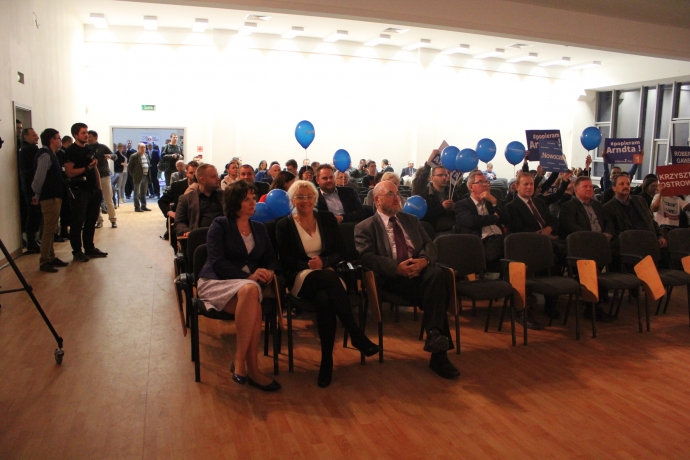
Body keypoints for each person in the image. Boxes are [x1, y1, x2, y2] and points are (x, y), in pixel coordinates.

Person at [276, 180, 380, 387]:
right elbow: (284, 258)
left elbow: (340, 251)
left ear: (315, 198)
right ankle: (355, 333)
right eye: (300, 197)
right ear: (292, 200)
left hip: (328, 274)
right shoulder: (284, 225)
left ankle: (326, 362)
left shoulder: (327, 219)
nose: (305, 200)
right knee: (328, 279)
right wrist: (309, 264)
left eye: (309, 196)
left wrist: (324, 262)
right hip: (300, 277)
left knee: (324, 299)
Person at [355, 181, 459, 379]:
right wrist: (396, 268)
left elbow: (430, 245)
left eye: (398, 194)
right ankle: (438, 352)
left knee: (436, 275)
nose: (397, 198)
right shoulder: (365, 227)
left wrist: (424, 261)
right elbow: (366, 258)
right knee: (437, 291)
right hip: (392, 279)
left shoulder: (411, 220)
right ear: (377, 200)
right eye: (390, 194)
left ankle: (435, 336)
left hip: (420, 273)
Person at [196, 180, 281, 391]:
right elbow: (217, 261)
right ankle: (245, 363)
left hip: (246, 288)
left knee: (252, 301)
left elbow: (271, 258)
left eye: (254, 198)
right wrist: (249, 276)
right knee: (252, 295)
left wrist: (269, 272)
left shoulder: (259, 228)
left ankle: (246, 366)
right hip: (216, 281)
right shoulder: (220, 225)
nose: (253, 202)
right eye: (247, 199)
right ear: (235, 203)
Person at [505, 172, 565, 325]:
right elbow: (517, 230)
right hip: (526, 246)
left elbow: (553, 220)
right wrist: (542, 236)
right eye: (525, 184)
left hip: (547, 242)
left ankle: (550, 304)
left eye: (531, 184)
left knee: (560, 257)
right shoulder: (512, 207)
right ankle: (523, 309)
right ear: (517, 186)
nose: (529, 187)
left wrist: (549, 229)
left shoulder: (539, 202)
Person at [64, 123, 108, 261]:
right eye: (83, 133)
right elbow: (69, 172)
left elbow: (94, 168)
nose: (86, 135)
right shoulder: (71, 151)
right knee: (78, 222)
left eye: (87, 132)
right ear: (75, 135)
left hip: (93, 190)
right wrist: (86, 168)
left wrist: (99, 188)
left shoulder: (89, 148)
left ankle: (89, 248)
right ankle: (77, 251)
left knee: (91, 220)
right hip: (79, 190)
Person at [604, 173, 667, 262]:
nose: (626, 186)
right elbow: (613, 233)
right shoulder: (608, 208)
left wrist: (660, 236)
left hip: (649, 240)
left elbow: (651, 221)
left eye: (628, 184)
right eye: (622, 184)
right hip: (630, 244)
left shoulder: (640, 200)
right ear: (614, 188)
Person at [31, 128, 69, 272]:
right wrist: (37, 194)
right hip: (49, 197)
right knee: (48, 229)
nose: (60, 140)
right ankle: (45, 260)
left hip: (54, 197)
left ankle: (51, 257)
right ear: (52, 140)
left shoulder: (52, 154)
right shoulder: (45, 155)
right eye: (58, 138)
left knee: (51, 228)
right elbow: (38, 178)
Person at [455, 170, 506, 270]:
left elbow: (506, 218)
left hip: (500, 239)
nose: (485, 185)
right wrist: (494, 218)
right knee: (505, 245)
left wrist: (494, 201)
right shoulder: (462, 205)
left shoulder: (492, 202)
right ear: (471, 187)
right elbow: (473, 221)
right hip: (480, 242)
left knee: (513, 241)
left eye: (487, 182)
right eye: (481, 182)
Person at [175, 164, 224, 237]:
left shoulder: (224, 195)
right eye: (214, 176)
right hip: (200, 238)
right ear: (202, 180)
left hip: (223, 236)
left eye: (217, 175)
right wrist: (186, 231)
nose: (218, 179)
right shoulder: (186, 199)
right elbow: (179, 222)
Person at [158, 161, 198, 240]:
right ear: (186, 173)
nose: (193, 175)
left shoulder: (203, 186)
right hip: (180, 217)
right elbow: (162, 201)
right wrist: (169, 212)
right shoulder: (177, 186)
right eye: (191, 173)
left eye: (196, 173)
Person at [87, 130, 118, 228]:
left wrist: (110, 156)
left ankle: (113, 219)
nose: (88, 138)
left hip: (104, 176)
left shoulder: (102, 147)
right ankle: (99, 221)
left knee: (108, 198)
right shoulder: (86, 148)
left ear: (95, 137)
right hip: (92, 177)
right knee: (95, 200)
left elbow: (115, 156)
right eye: (87, 136)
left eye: (90, 136)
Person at [18, 128, 42, 253]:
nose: (37, 137)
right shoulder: (29, 150)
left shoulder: (25, 150)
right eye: (34, 135)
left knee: (34, 214)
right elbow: (33, 171)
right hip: (32, 188)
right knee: (34, 214)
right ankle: (32, 241)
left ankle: (33, 240)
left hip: (29, 187)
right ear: (25, 137)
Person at [127, 143, 153, 213]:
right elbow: (129, 167)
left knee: (143, 192)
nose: (143, 149)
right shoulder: (134, 156)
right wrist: (134, 175)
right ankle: (137, 207)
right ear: (138, 148)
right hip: (138, 176)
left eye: (144, 147)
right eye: (141, 147)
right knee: (136, 193)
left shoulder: (146, 155)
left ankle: (143, 206)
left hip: (146, 176)